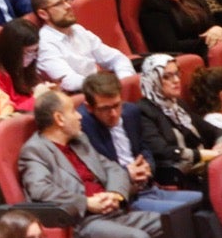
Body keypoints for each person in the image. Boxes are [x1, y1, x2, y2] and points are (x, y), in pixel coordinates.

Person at [18, 89, 163, 238]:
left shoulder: (80, 140)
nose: (79, 116)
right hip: (82, 223)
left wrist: (115, 194)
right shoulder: (35, 151)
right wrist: (86, 203)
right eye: (73, 111)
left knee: (170, 224)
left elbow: (113, 168)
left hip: (113, 212)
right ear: (59, 119)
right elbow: (41, 190)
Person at [79, 71, 204, 217]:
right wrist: (127, 173)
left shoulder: (131, 113)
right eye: (105, 108)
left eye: (117, 105)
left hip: (149, 188)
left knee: (206, 201)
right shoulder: (83, 128)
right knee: (182, 214)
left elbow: (145, 148)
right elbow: (95, 170)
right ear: (89, 107)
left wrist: (146, 167)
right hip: (125, 199)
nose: (113, 113)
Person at [138, 53, 222, 179]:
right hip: (182, 175)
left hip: (206, 165)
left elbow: (212, 130)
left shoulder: (178, 104)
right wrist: (202, 154)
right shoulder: (144, 111)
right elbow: (161, 151)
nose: (176, 80)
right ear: (153, 80)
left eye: (177, 73)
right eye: (167, 77)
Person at [31, 0, 135, 92]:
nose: (68, 6)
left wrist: (125, 82)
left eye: (66, 0)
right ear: (43, 14)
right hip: (82, 97)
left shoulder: (77, 29)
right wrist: (106, 87)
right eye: (59, 4)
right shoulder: (45, 43)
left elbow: (116, 58)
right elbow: (69, 82)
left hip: (100, 88)